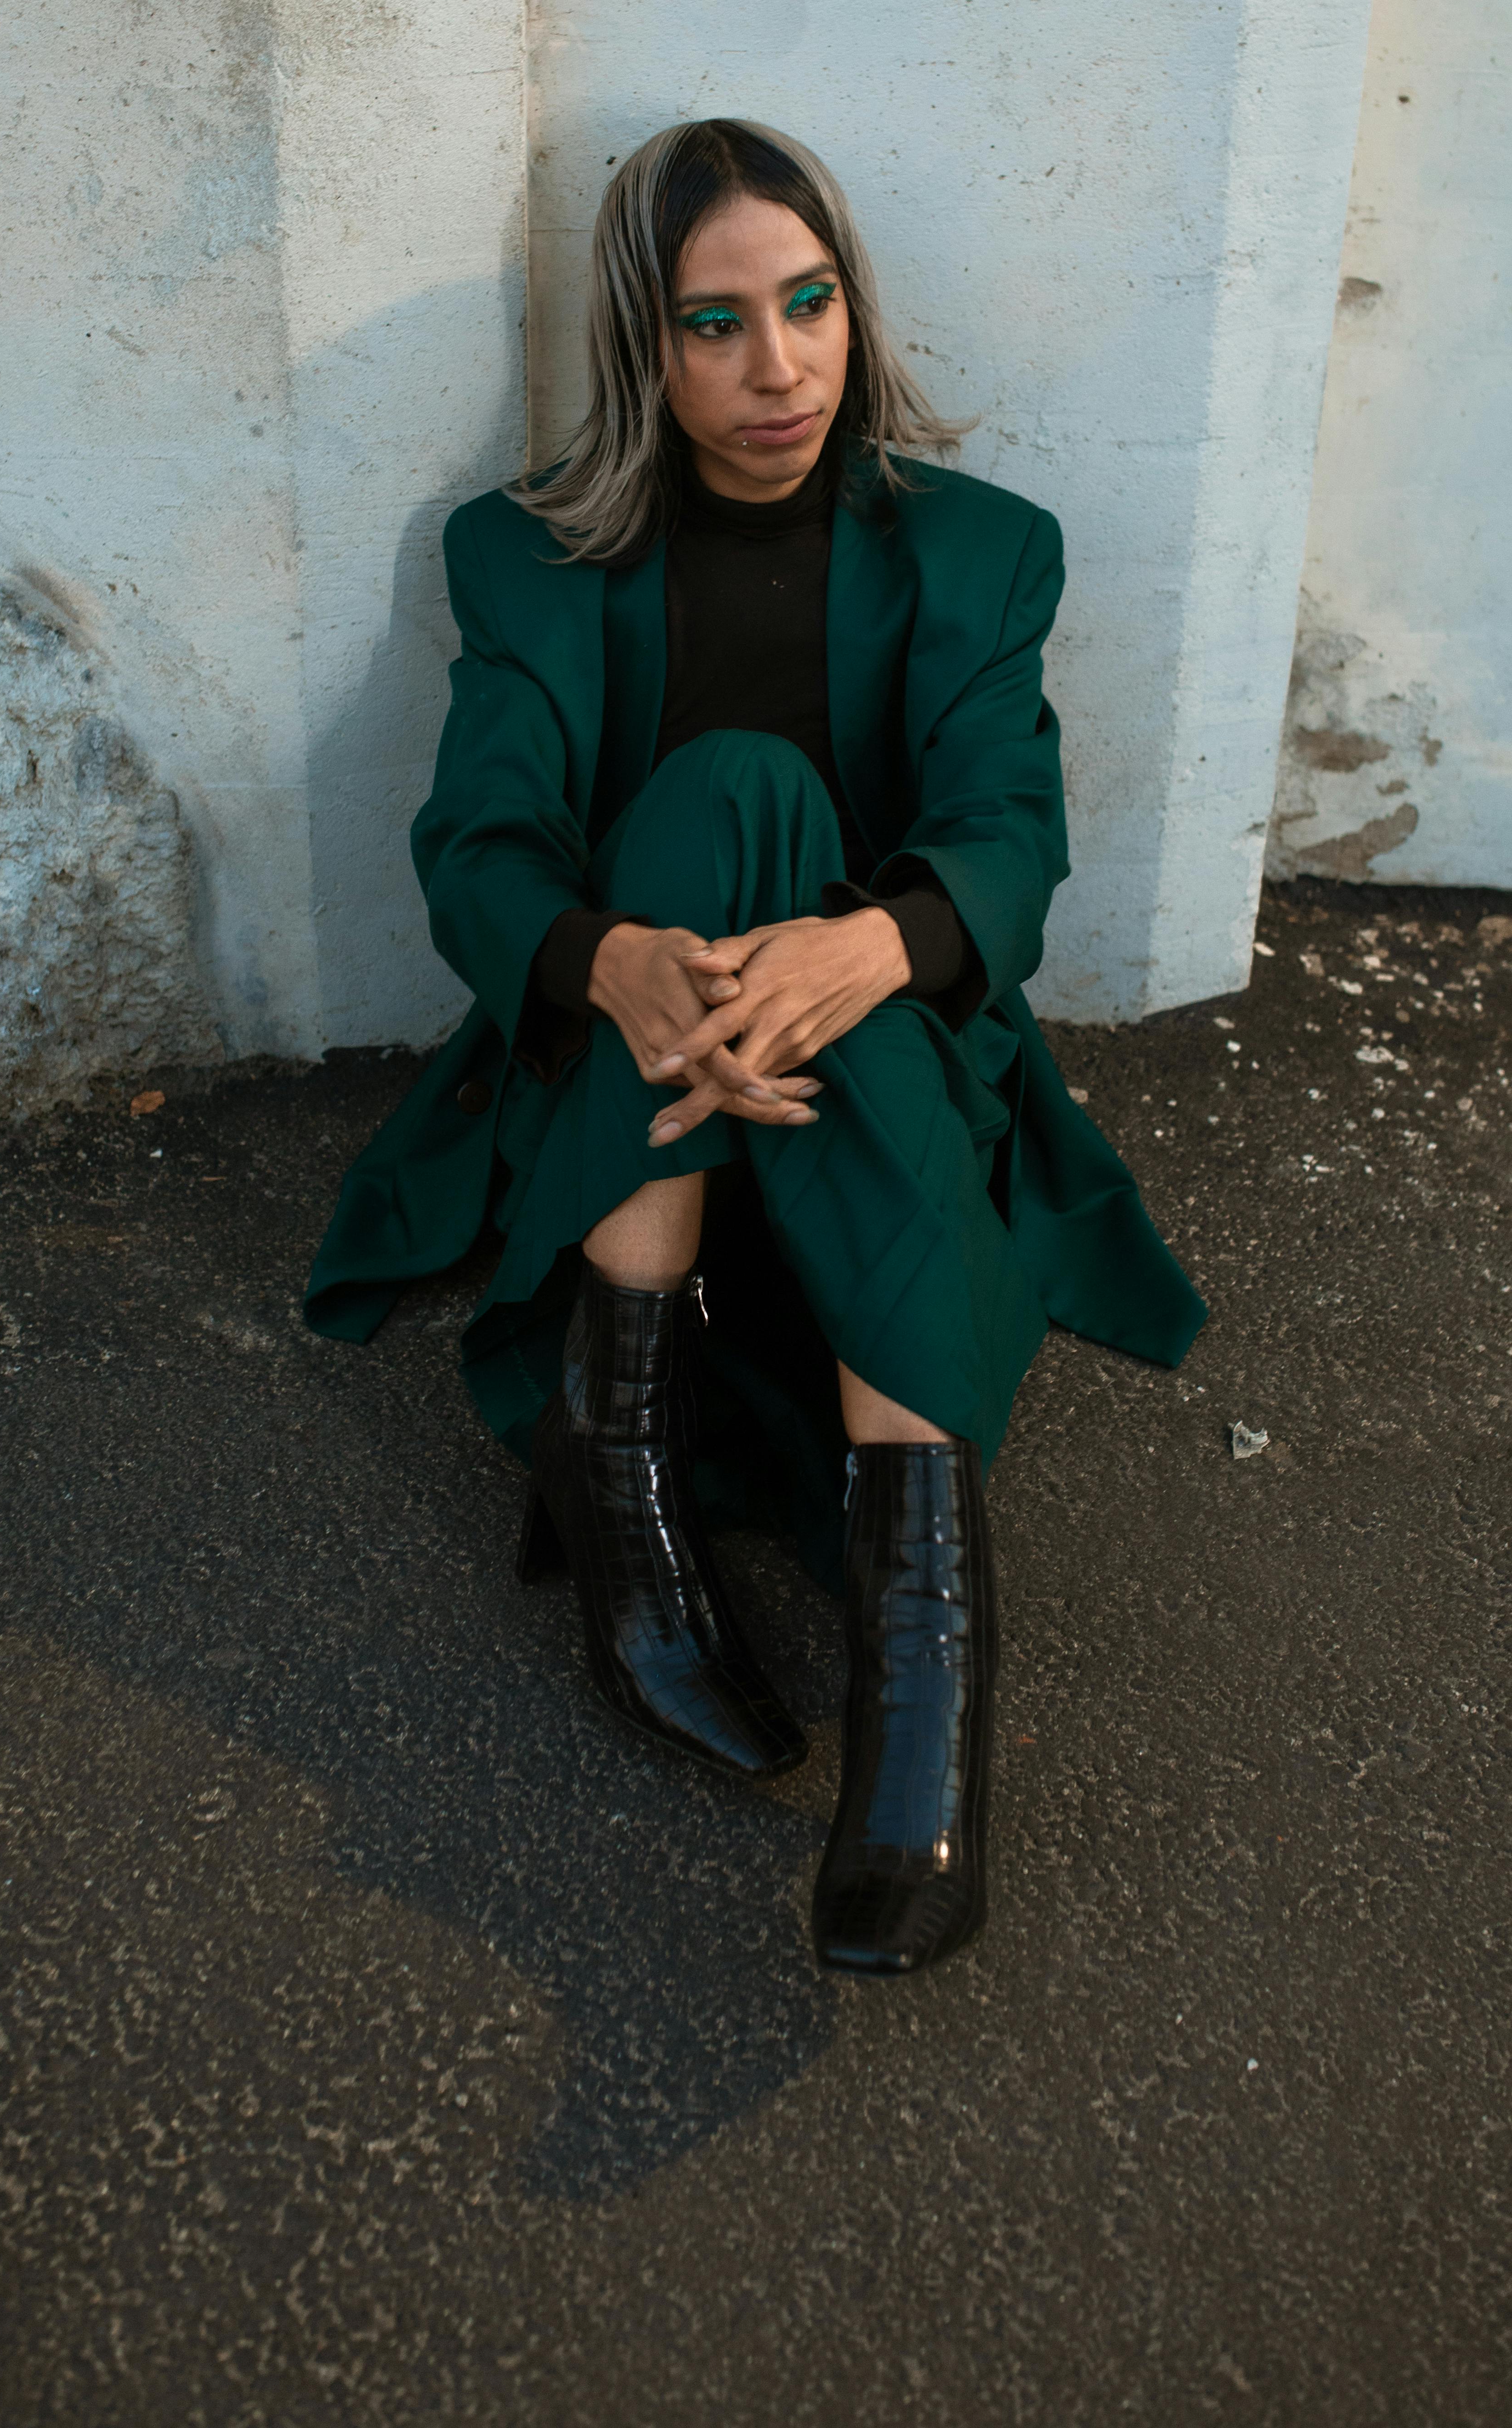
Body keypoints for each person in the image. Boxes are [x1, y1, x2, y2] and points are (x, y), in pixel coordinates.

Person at [304, 119, 1205, 1977]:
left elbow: (1005, 839)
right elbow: (478, 845)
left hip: (870, 1050)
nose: (777, 365)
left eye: (807, 305)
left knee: (822, 912)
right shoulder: (532, 558)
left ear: (852, 308)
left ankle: (902, 1669)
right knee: (728, 796)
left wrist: (870, 941)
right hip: (623, 1067)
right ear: (645, 348)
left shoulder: (974, 555)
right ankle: (655, 1498)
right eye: (715, 324)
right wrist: (612, 957)